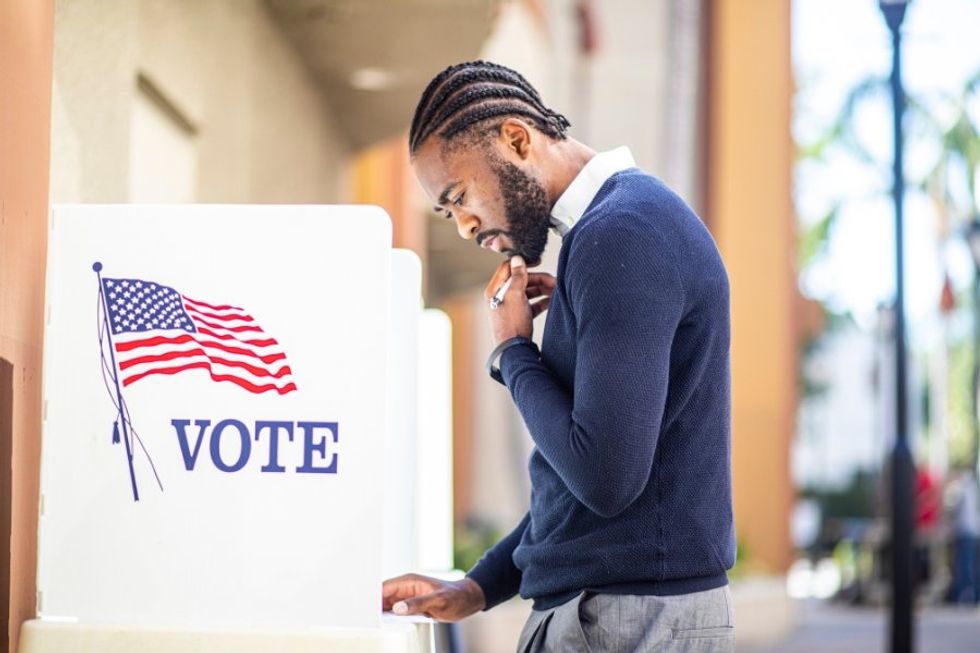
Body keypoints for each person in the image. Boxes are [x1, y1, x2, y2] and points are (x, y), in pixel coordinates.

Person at [382, 60, 736, 652]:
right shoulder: (614, 231)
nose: (465, 227)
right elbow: (583, 489)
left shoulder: (621, 234)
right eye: (448, 213)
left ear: (516, 140)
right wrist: (478, 587)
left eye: (459, 196)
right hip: (624, 611)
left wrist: (513, 350)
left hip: (625, 621)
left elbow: (604, 479)